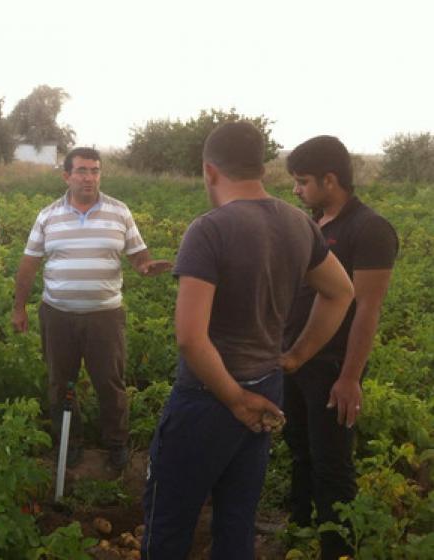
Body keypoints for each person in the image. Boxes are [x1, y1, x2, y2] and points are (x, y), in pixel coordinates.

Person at [141, 122, 355, 559]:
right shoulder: (299, 223)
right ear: (260, 166)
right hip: (267, 389)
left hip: (210, 397)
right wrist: (295, 356)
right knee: (237, 521)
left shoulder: (210, 229)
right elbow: (341, 292)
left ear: (209, 170)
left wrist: (235, 399)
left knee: (169, 523)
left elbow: (190, 338)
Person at [11, 147, 171, 470]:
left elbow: (138, 254)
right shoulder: (48, 215)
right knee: (61, 382)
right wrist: (19, 308)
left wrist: (145, 266)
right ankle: (70, 443)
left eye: (95, 170)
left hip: (105, 316)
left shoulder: (119, 212)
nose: (89, 177)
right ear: (66, 176)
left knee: (109, 382)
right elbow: (29, 265)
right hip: (58, 314)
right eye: (82, 170)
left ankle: (116, 444)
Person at [283, 136, 398, 559]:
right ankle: (299, 530)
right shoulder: (312, 223)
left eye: (302, 181)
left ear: (330, 180)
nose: (296, 189)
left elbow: (367, 309)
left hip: (332, 365)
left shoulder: (369, 229)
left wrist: (350, 378)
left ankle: (338, 549)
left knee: (332, 463)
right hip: (295, 357)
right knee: (299, 448)